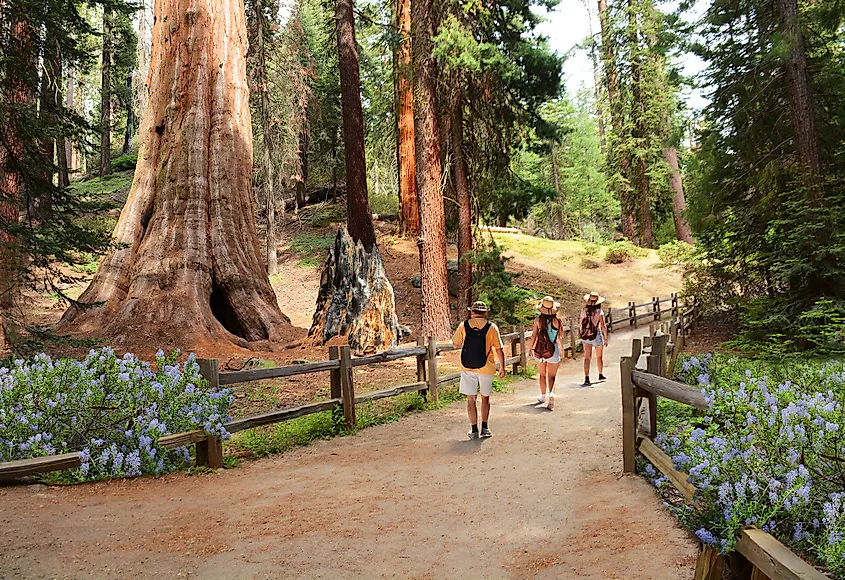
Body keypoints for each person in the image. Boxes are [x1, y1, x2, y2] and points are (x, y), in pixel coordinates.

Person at [451, 300, 506, 439]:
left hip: (467, 366)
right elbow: (499, 349)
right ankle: (485, 428)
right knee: (485, 398)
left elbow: (456, 343)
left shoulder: (464, 325)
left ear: (472, 312)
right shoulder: (492, 327)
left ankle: (474, 430)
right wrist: (503, 367)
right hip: (486, 367)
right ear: (485, 312)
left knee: (471, 399)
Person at [529, 296, 564, 410]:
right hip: (553, 350)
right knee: (552, 376)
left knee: (542, 374)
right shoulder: (557, 321)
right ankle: (552, 394)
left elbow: (534, 335)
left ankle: (542, 396)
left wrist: (531, 348)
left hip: (540, 350)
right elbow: (559, 337)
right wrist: (561, 349)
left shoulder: (538, 320)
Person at [579, 291, 609, 387]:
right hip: (596, 334)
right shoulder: (599, 312)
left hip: (586, 335)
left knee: (587, 357)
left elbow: (580, 324)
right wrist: (606, 337)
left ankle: (587, 378)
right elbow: (603, 326)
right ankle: (600, 374)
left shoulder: (584, 311)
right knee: (599, 357)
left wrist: (582, 334)